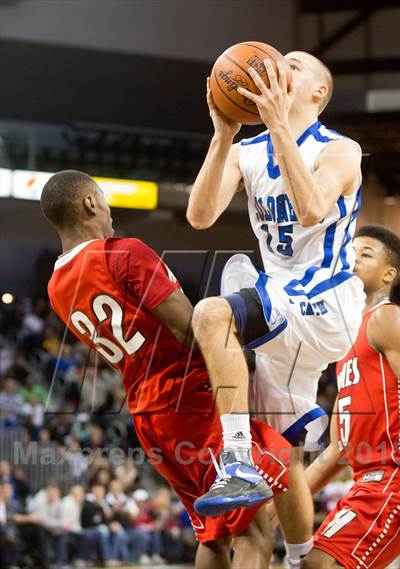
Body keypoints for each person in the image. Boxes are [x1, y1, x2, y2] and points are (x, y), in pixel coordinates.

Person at [40, 169, 302, 569]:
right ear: (90, 203)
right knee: (253, 531)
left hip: (148, 412)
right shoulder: (121, 251)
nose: (110, 212)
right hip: (190, 400)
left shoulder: (56, 285)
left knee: (213, 535)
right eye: (104, 200)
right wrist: (245, 319)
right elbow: (188, 328)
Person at [187, 50, 365, 564]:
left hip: (326, 300)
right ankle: (302, 555)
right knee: (283, 455)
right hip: (285, 310)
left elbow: (312, 207)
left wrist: (277, 124)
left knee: (211, 313)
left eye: (294, 65)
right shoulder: (250, 151)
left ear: (317, 93)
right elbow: (199, 216)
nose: (279, 67)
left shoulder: (340, 149)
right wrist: (224, 135)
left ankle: (235, 457)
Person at [301, 225, 400, 569]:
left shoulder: (387, 318)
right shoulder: (346, 339)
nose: (352, 260)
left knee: (319, 564)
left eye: (365, 254)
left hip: (399, 476)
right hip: (365, 480)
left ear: (388, 274)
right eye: (350, 253)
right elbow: (339, 448)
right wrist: (289, 500)